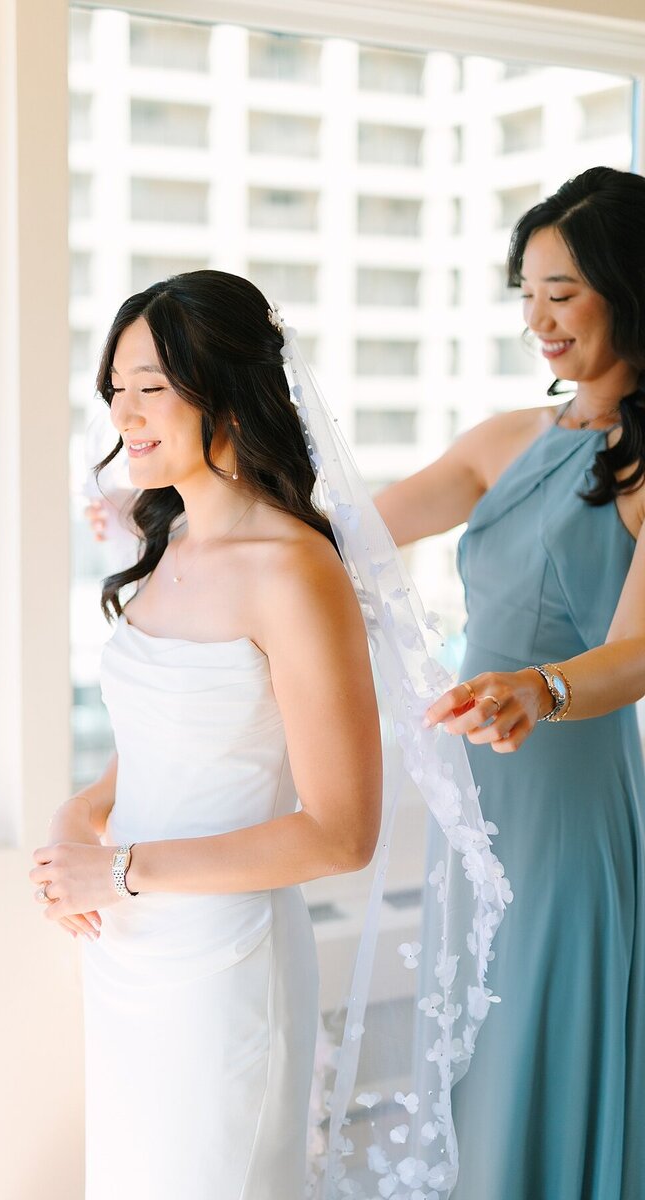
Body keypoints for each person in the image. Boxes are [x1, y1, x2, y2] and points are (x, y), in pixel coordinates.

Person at [29, 271, 383, 1200]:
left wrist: (123, 867)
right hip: (128, 951)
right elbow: (176, 735)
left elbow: (343, 835)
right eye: (114, 389)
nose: (125, 413)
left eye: (151, 386)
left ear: (224, 386)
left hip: (227, 964)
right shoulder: (170, 545)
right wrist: (81, 812)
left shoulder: (295, 571)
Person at [376, 166, 645, 1199]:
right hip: (475, 800)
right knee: (473, 1044)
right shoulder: (506, 440)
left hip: (566, 803)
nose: (537, 319)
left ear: (628, 285)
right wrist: (179, 501)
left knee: (538, 1027)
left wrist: (542, 688)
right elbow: (353, 528)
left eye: (562, 293)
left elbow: (635, 648)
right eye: (524, 293)